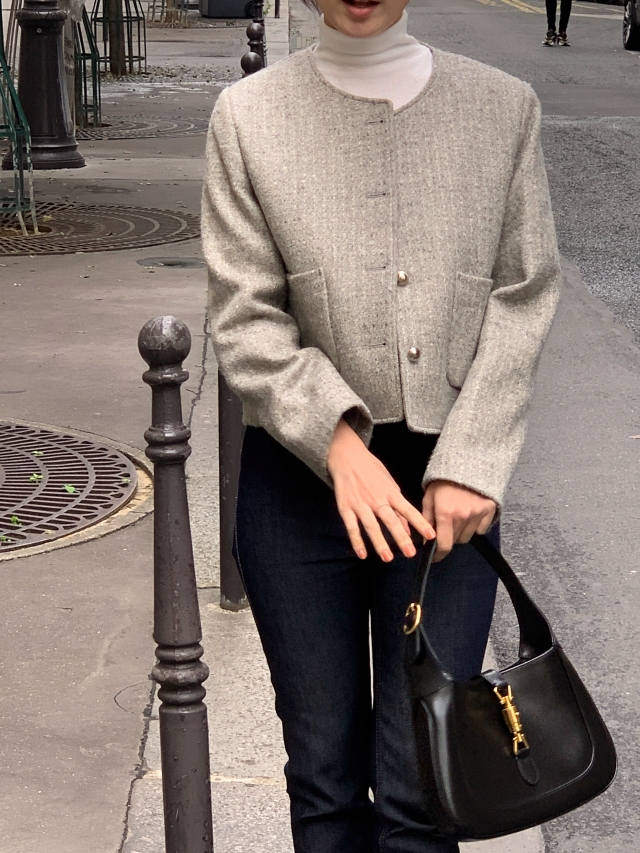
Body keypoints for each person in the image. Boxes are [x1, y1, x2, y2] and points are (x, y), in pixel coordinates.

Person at [202, 0, 561, 847]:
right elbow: (244, 315)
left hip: (447, 498)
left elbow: (525, 292)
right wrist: (335, 439)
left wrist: (473, 458)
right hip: (297, 485)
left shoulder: (502, 108)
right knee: (323, 777)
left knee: (423, 789)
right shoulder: (247, 117)